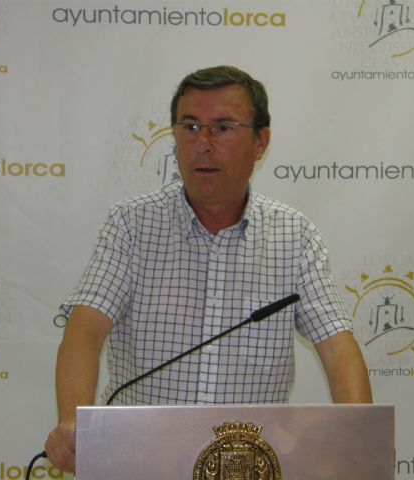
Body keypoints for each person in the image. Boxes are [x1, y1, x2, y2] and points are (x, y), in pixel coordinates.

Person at [45, 65, 372, 472]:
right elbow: (85, 329)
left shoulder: (294, 235)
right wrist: (73, 423)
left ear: (260, 142)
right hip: (142, 462)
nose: (203, 144)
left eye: (223, 128)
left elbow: (338, 348)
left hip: (247, 465)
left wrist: (361, 440)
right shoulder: (131, 225)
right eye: (191, 127)